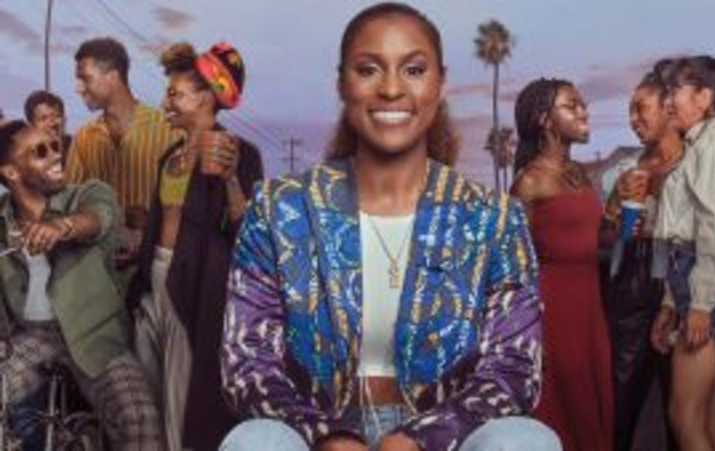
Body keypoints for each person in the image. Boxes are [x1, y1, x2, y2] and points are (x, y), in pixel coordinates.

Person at [220, 3, 560, 451]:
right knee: (254, 440)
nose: (392, 88)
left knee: (526, 440)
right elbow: (248, 361)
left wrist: (422, 437)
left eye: (414, 70)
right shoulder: (280, 209)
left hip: (448, 434)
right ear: (342, 83)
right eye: (369, 69)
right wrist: (327, 436)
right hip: (315, 429)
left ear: (439, 83)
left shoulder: (493, 218)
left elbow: (514, 368)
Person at [125, 41, 263, 451]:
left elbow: (248, 234)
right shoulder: (169, 155)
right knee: (148, 395)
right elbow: (164, 222)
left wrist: (230, 177)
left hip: (195, 288)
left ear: (204, 97)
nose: (165, 103)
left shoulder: (240, 152)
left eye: (175, 94)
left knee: (182, 402)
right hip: (154, 281)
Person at [0, 120, 163, 449]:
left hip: (95, 334)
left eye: (55, 145)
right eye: (40, 151)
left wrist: (62, 227)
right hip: (32, 336)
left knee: (139, 417)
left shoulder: (86, 193)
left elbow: (98, 217)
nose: (55, 155)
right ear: (11, 172)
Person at [649, 52, 715, 451]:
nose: (668, 100)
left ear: (704, 97)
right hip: (693, 278)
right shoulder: (699, 144)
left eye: (675, 90)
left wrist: (702, 303)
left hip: (707, 283)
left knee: (684, 415)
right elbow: (681, 231)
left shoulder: (714, 143)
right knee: (706, 416)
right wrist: (670, 302)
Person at [510, 78, 613, 451]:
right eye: (572, 105)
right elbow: (512, 264)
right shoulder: (529, 182)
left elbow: (598, 242)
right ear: (544, 119)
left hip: (591, 309)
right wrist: (526, 336)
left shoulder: (579, 173)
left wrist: (626, 222)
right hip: (553, 315)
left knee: (593, 410)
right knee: (565, 416)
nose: (584, 111)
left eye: (583, 103)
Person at [601, 64, 682, 451]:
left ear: (669, 106)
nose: (633, 119)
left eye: (640, 108)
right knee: (621, 403)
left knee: (681, 408)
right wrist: (616, 205)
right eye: (629, 111)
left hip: (681, 279)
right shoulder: (628, 169)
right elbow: (610, 239)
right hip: (633, 279)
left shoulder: (695, 160)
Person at [67, 37, 179, 270]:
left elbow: (187, 207)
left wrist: (150, 224)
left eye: (85, 78)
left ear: (113, 77)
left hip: (154, 270)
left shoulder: (169, 131)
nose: (78, 88)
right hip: (100, 273)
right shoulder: (83, 137)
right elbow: (71, 203)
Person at [24, 90, 73, 165]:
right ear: (31, 125)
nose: (51, 123)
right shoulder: (25, 158)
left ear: (64, 119)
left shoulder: (79, 148)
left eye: (57, 116)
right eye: (43, 118)